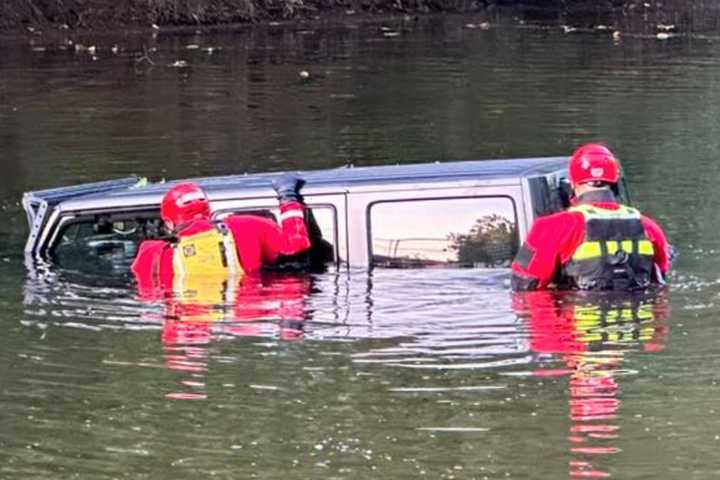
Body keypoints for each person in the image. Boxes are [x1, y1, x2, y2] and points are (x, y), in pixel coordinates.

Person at [511, 143, 671, 291]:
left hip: (575, 318)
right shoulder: (649, 226)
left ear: (572, 184)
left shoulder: (552, 227)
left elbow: (524, 286)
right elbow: (660, 277)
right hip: (638, 320)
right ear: (615, 183)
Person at [131, 173, 311, 295]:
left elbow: (147, 294)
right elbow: (297, 243)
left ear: (169, 223)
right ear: (208, 212)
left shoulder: (151, 254)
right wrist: (288, 197)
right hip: (245, 297)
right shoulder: (249, 226)